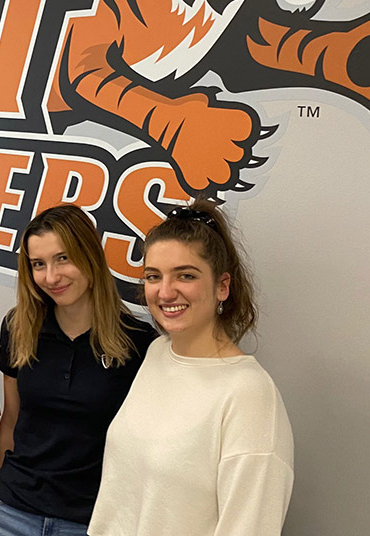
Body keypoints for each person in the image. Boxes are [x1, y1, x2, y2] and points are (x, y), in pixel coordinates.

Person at [90, 200, 294, 536]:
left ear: (222, 286)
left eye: (185, 275)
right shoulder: (158, 353)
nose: (166, 292)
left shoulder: (249, 394)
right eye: (153, 276)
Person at [0, 204, 156, 536]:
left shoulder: (140, 343)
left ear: (89, 255)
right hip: (11, 512)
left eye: (63, 258)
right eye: (38, 265)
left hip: (90, 520)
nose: (51, 277)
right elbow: (12, 420)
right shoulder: (19, 327)